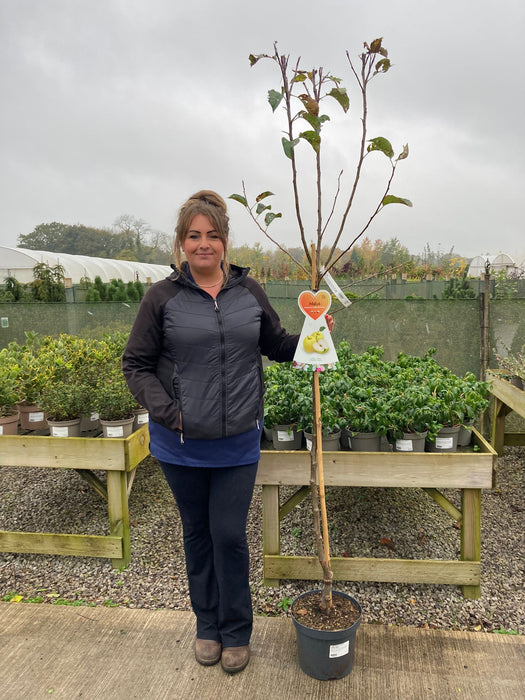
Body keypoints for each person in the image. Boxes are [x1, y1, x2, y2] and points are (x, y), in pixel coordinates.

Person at [122, 190, 302, 674]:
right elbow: (135, 364)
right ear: (181, 243)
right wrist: (169, 412)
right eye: (193, 236)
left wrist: (313, 341)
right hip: (180, 445)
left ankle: (236, 630)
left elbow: (276, 343)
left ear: (225, 241)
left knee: (229, 536)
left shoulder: (250, 292)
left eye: (213, 235)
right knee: (197, 535)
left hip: (238, 440)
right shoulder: (161, 297)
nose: (204, 244)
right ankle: (207, 626)